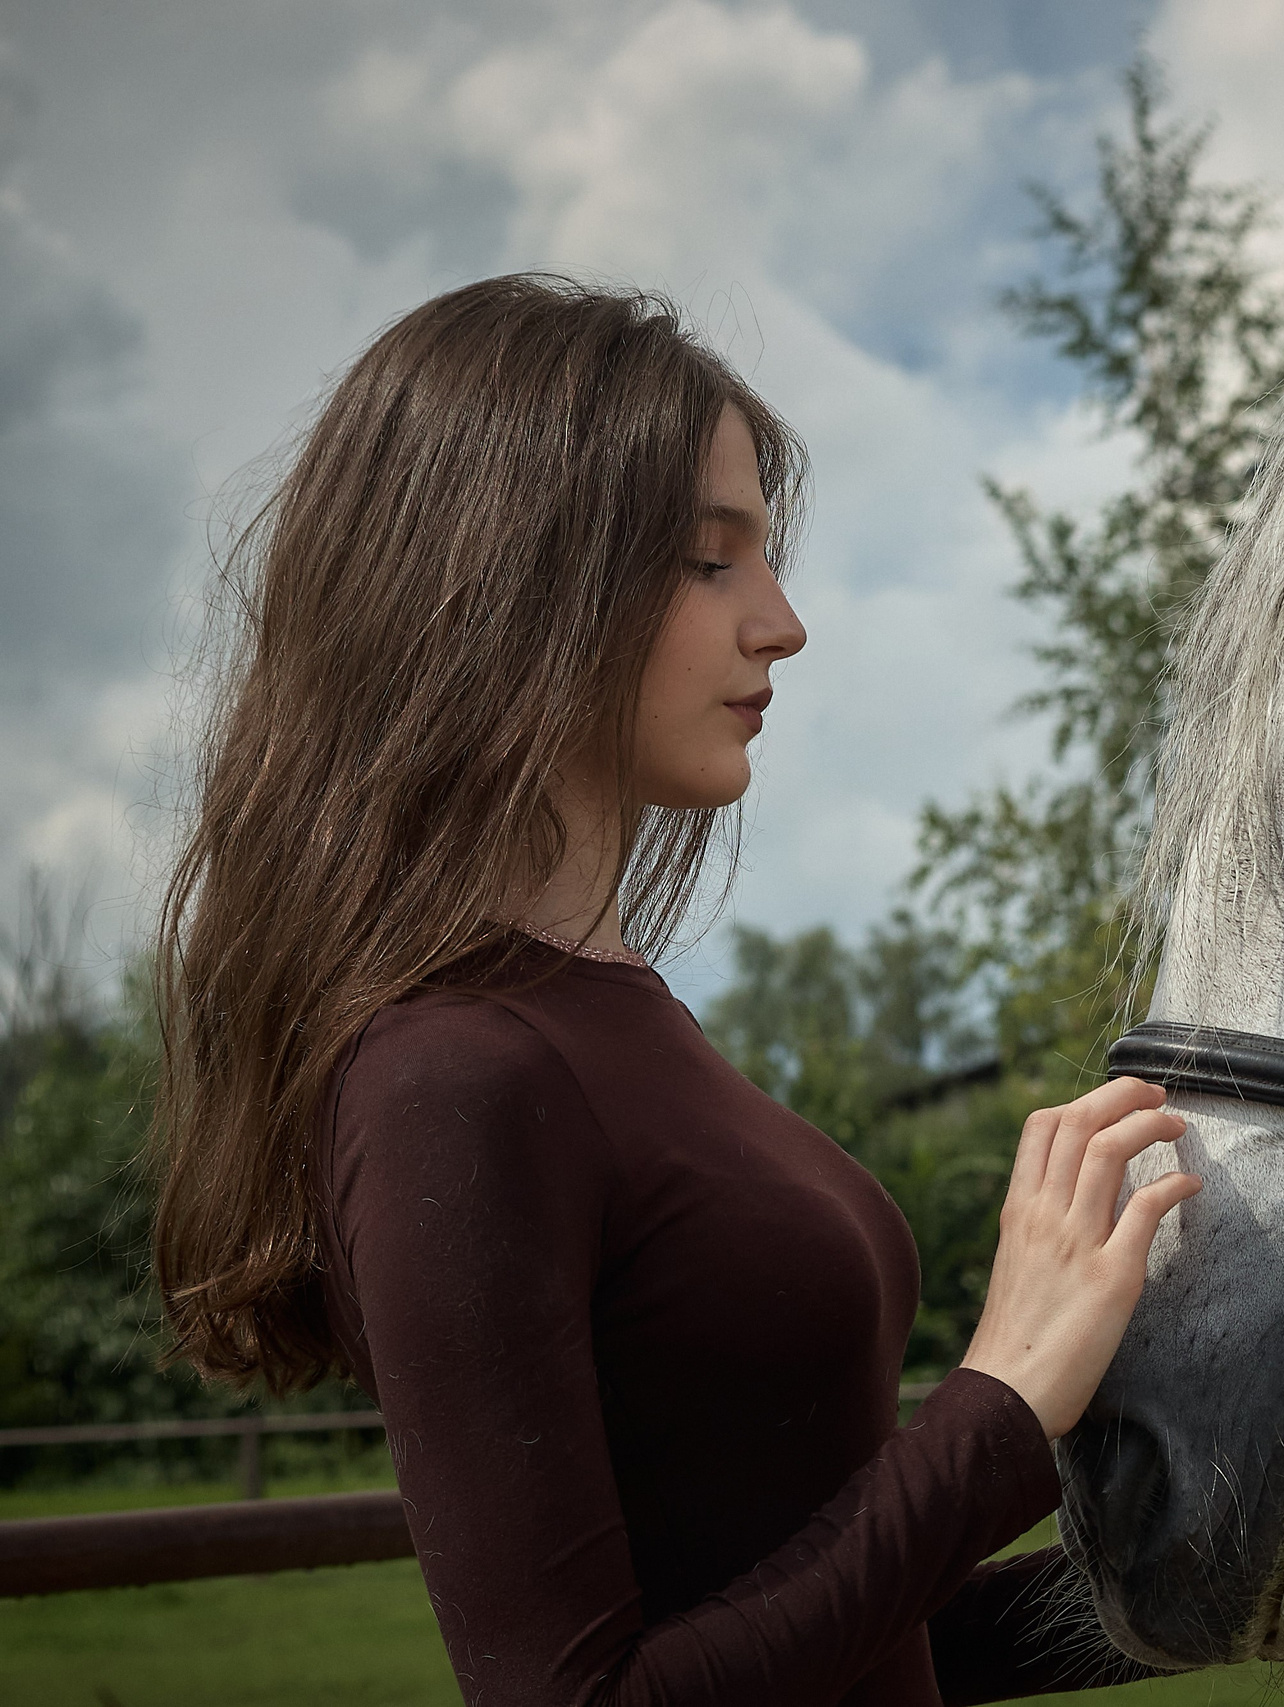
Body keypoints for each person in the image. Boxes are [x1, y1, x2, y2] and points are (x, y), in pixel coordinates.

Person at [150, 275, 1199, 1706]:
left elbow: (850, 1637)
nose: (782, 623)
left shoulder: (615, 1018)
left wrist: (1206, 1576)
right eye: (714, 562)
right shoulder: (449, 1076)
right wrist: (1003, 1404)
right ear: (511, 583)